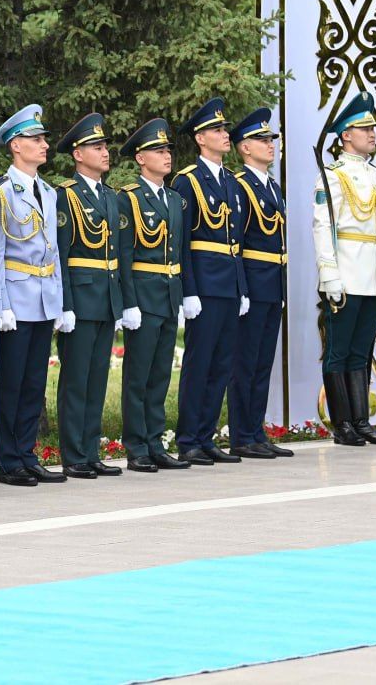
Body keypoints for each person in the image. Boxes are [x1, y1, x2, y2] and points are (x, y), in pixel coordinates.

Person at [0, 105, 66, 487]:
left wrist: (60, 301)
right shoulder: (0, 192)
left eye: (44, 138)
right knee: (10, 382)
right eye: (36, 139)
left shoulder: (48, 192)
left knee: (34, 381)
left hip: (43, 296)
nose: (44, 144)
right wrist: (2, 304)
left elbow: (54, 251)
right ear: (16, 146)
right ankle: (9, 460)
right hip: (16, 297)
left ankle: (27, 454)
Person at [313, 91, 376, 447]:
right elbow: (323, 226)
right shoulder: (333, 176)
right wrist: (329, 275)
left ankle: (362, 422)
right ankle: (342, 424)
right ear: (346, 135)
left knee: (362, 349)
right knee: (339, 350)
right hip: (347, 274)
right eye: (365, 129)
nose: (372, 134)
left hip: (374, 275)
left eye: (373, 129)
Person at [171, 97, 248, 466]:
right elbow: (182, 242)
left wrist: (242, 288)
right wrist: (189, 291)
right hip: (203, 285)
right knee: (199, 363)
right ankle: (188, 439)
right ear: (200, 138)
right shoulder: (187, 181)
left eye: (224, 129)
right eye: (217, 130)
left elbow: (237, 242)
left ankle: (207, 436)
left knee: (221, 364)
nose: (225, 134)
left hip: (229, 285)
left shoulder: (231, 182)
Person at [116, 118, 191, 473]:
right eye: (158, 151)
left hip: (169, 294)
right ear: (141, 158)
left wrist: (184, 294)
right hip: (144, 296)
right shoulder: (129, 198)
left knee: (161, 374)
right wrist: (128, 302)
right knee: (138, 375)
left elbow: (180, 251)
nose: (167, 156)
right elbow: (125, 255)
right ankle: (137, 446)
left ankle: (156, 442)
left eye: (167, 150)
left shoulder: (174, 200)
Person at [53, 112, 123, 480]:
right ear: (78, 154)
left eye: (105, 145)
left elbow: (116, 255)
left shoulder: (110, 196)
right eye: (97, 147)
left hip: (106, 298)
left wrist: (120, 302)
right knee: (76, 380)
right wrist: (65, 305)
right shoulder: (67, 196)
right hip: (80, 299)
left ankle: (91, 450)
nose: (105, 151)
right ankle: (73, 454)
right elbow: (61, 255)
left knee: (97, 380)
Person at [228, 109, 295, 459]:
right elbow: (236, 244)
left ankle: (256, 431)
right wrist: (242, 289)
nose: (270, 145)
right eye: (262, 140)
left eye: (271, 140)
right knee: (245, 361)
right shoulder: (240, 186)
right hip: (253, 284)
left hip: (272, 283)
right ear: (244, 148)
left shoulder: (272, 187)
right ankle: (242, 435)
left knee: (263, 362)